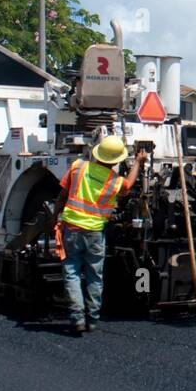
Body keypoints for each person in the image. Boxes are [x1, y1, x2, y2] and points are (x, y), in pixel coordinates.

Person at [56, 135, 148, 334]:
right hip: (95, 233)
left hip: (71, 229)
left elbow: (62, 195)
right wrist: (138, 163)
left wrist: (54, 217)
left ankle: (77, 317)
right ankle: (92, 319)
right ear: (116, 161)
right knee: (94, 276)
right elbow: (129, 184)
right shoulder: (114, 182)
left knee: (71, 272)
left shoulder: (77, 167)